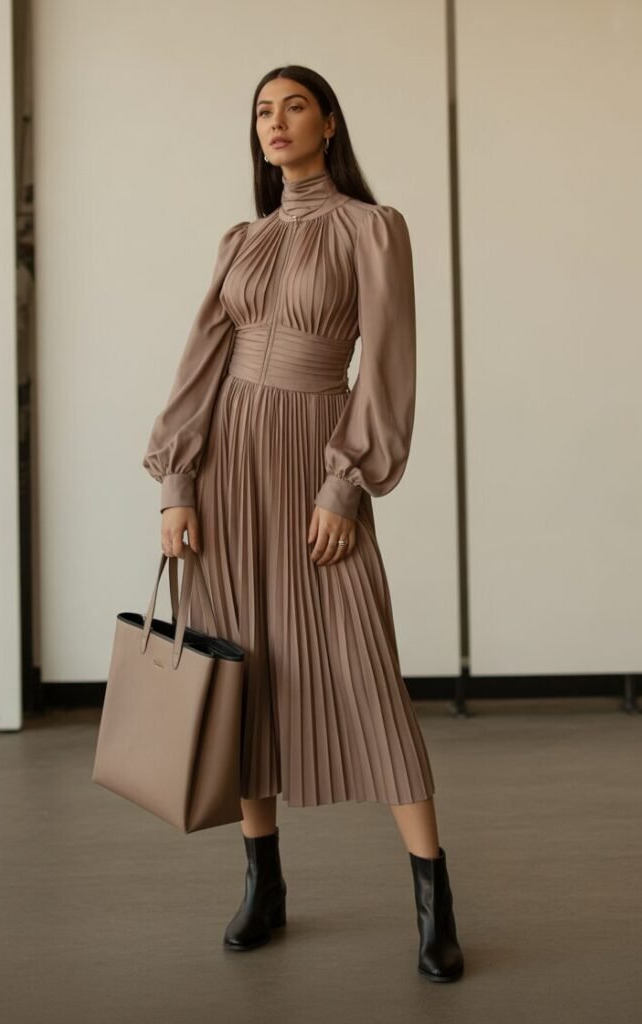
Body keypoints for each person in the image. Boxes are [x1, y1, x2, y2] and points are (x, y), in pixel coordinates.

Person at [142, 64, 464, 983]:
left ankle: (434, 898)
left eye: (292, 107)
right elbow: (200, 366)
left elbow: (387, 368)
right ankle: (263, 883)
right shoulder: (241, 239)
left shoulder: (373, 228)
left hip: (312, 460)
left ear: (328, 121)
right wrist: (175, 484)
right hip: (228, 467)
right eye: (260, 111)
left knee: (364, 668)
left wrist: (343, 486)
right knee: (241, 672)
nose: (274, 123)